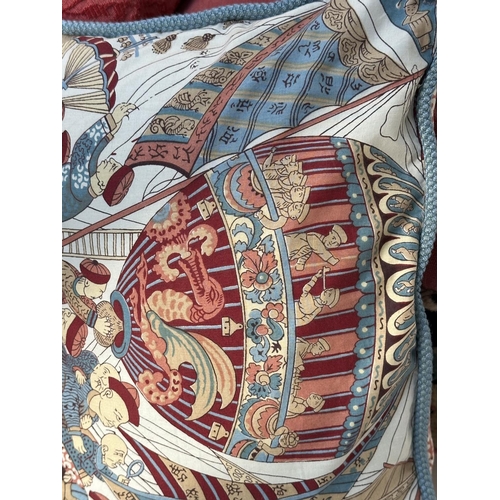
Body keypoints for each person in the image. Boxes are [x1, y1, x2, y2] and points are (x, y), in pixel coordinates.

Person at [62, 102, 137, 222]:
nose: (111, 160)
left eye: (113, 167)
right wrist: (110, 131)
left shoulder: (82, 189)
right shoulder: (90, 183)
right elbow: (93, 154)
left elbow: (82, 149)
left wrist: (110, 121)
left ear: (102, 184)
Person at [61, 431, 131, 490]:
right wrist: (82, 474)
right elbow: (72, 451)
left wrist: (117, 479)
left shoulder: (99, 462)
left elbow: (103, 474)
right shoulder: (88, 443)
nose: (122, 462)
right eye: (119, 454)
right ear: (104, 449)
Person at [62, 258, 112, 339]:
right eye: (100, 291)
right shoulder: (67, 274)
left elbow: (90, 306)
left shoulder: (82, 293)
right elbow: (75, 301)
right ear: (87, 282)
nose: (100, 296)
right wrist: (95, 322)